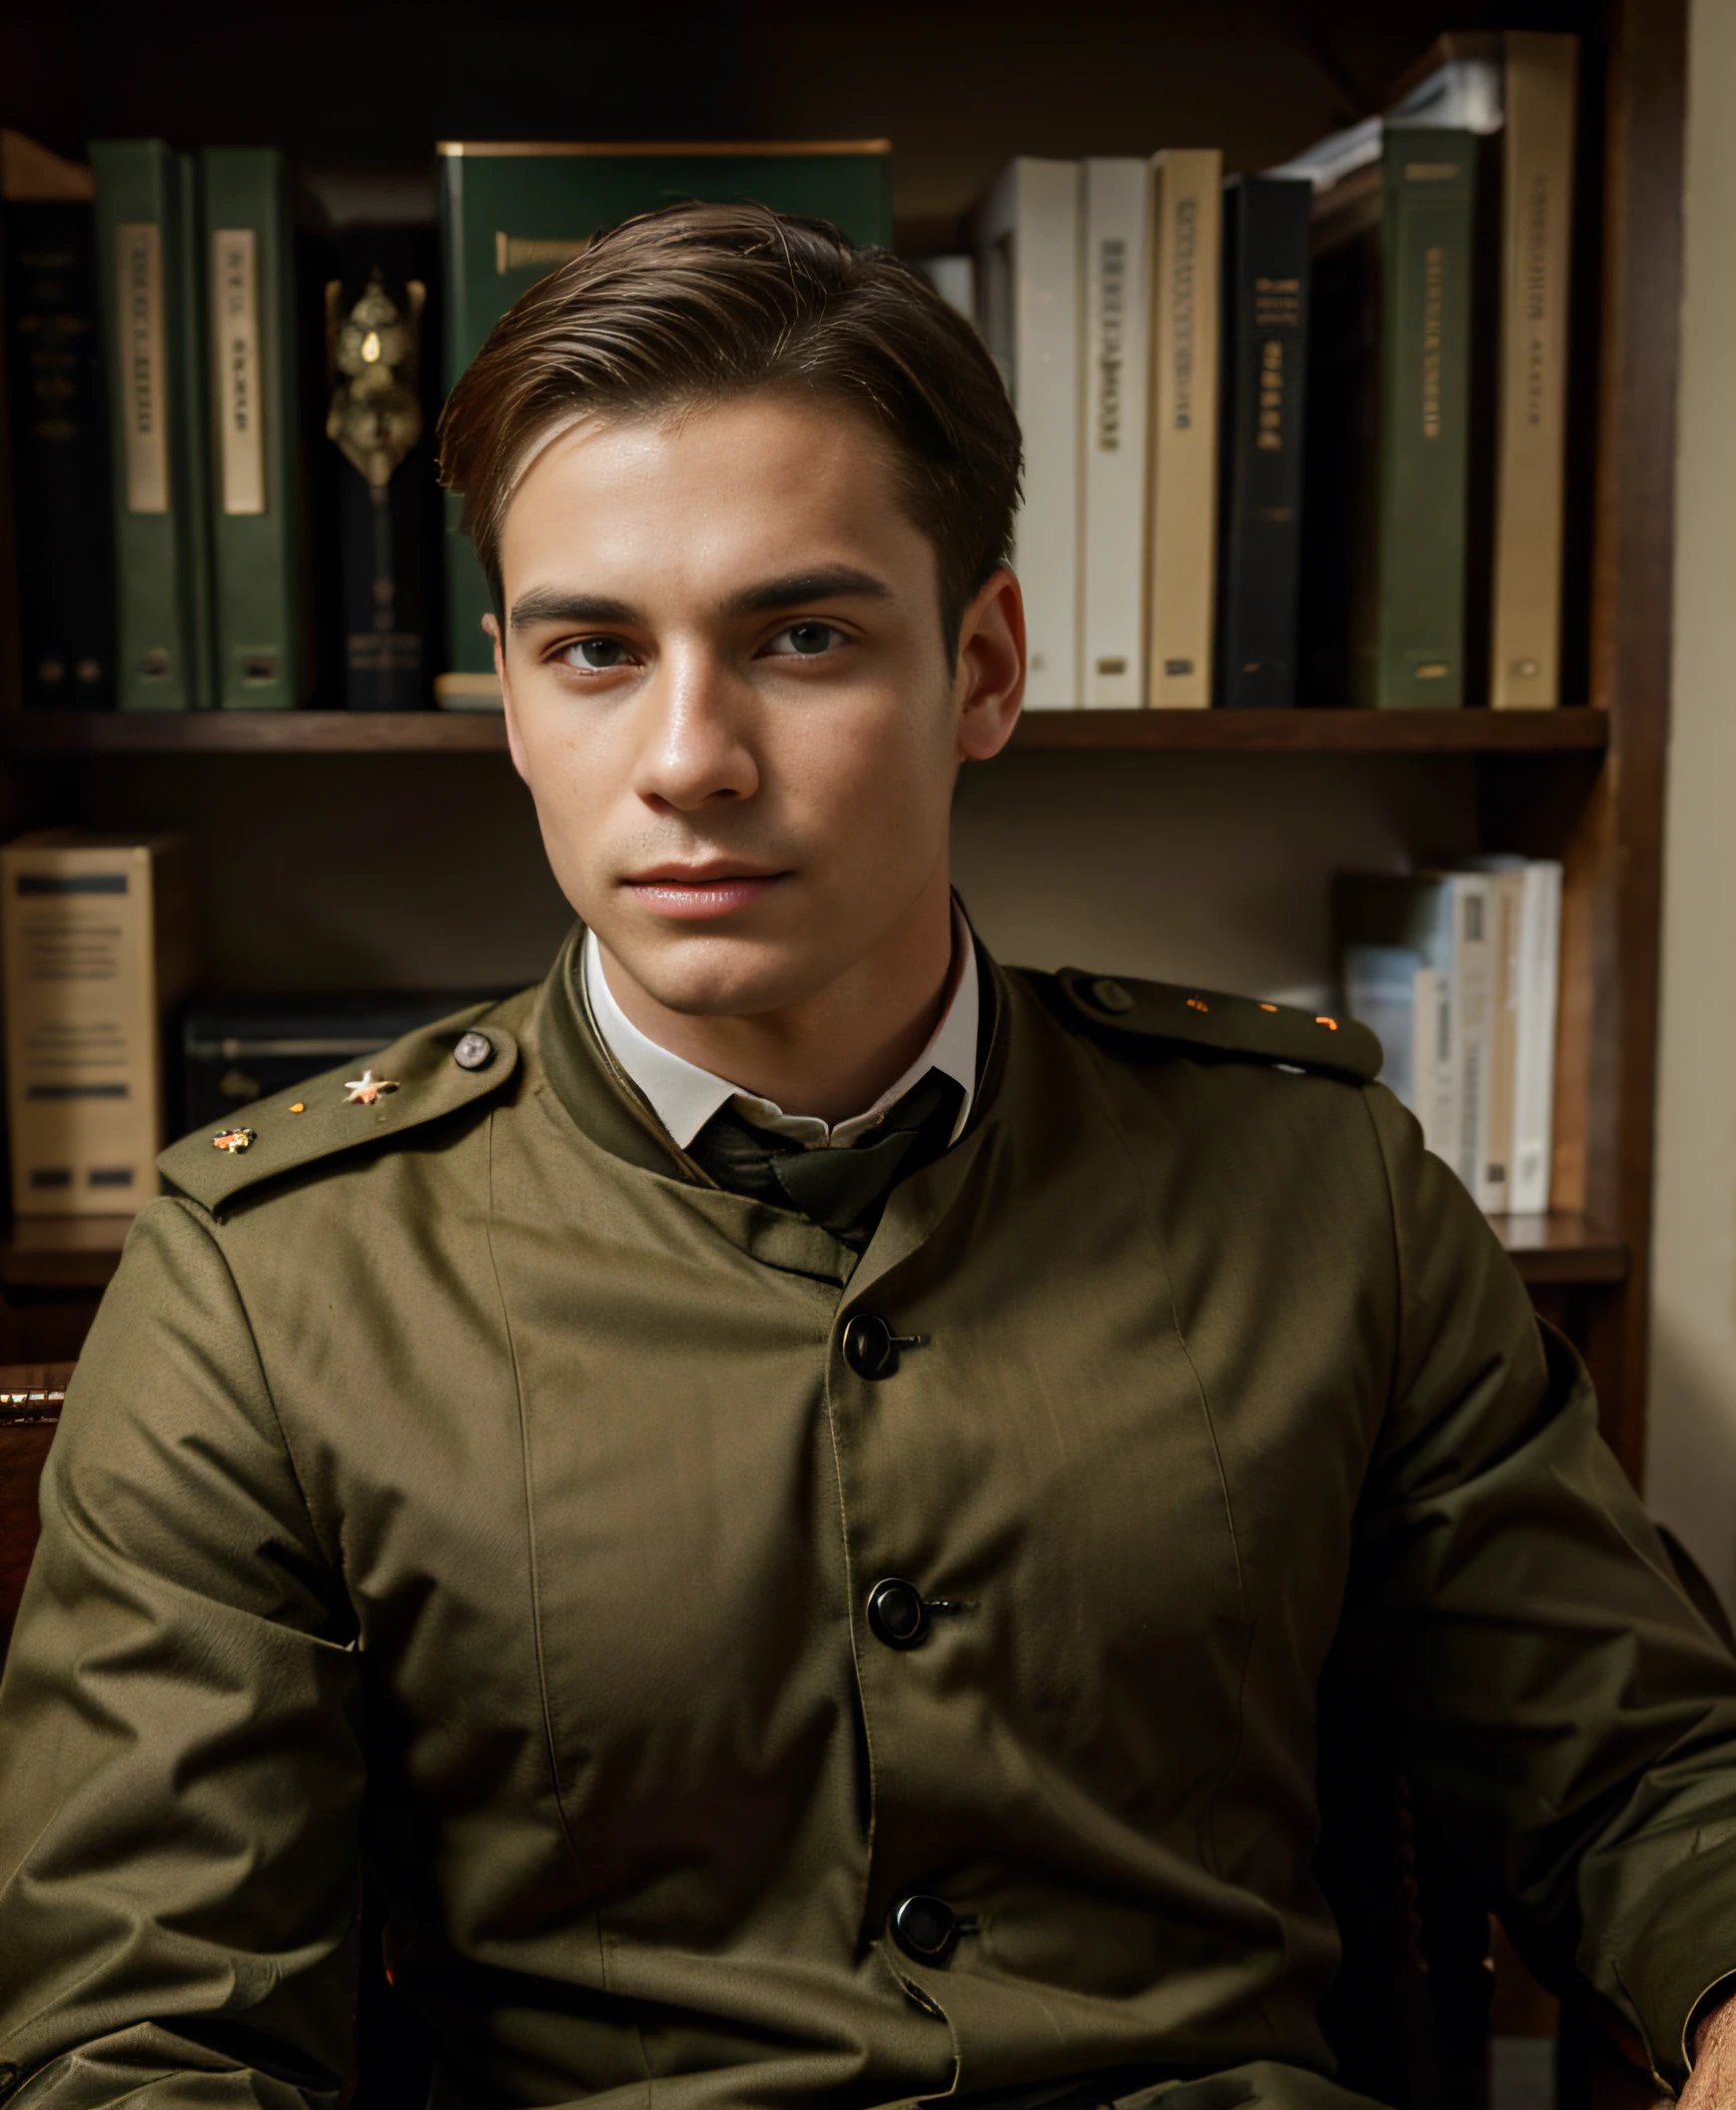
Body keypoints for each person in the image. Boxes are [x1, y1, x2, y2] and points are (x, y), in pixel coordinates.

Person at [1, 202, 1734, 2110]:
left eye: (801, 636)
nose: (690, 758)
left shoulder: (1318, 1183)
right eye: (592, 650)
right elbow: (145, 2035)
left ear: (982, 667)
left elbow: (1642, 1766)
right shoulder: (265, 1269)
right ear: (508, 694)